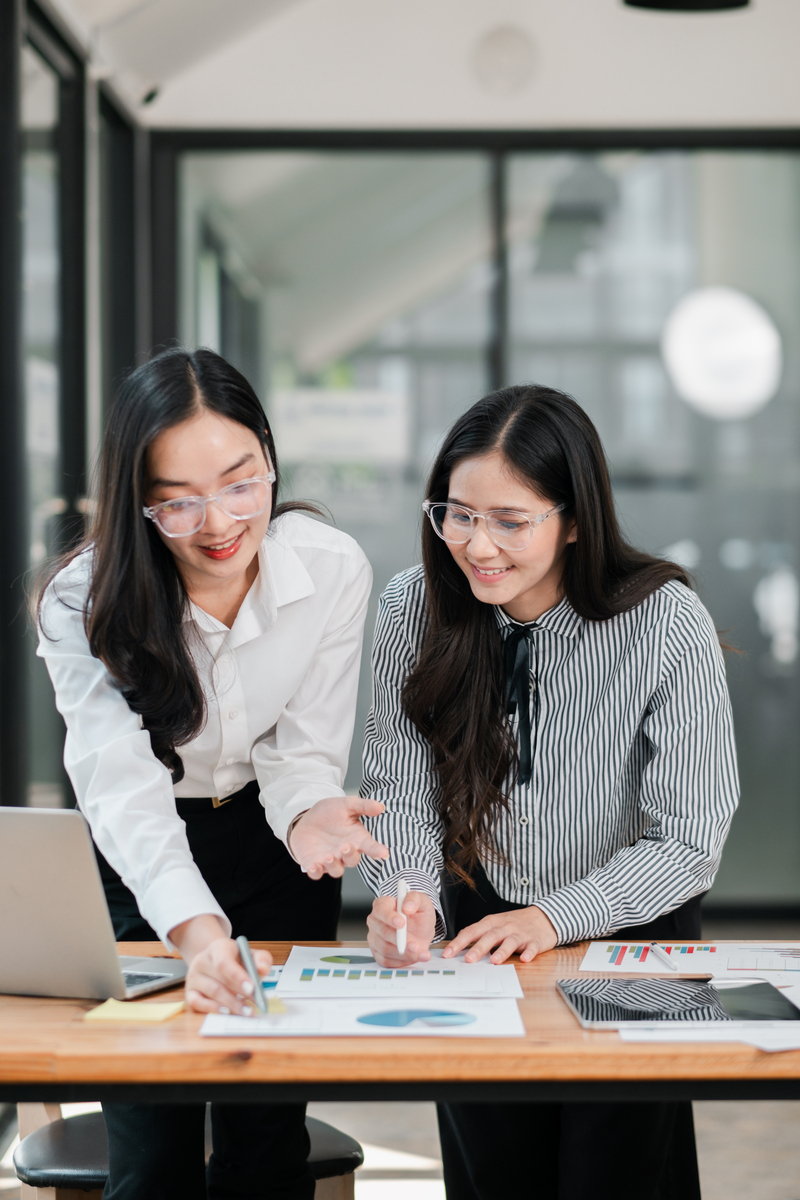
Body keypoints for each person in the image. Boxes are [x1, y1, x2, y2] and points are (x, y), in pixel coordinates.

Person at [359, 384, 739, 1200]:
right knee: (492, 1175)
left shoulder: (666, 621)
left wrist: (553, 918)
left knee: (620, 1179)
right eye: (457, 514)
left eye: (510, 520)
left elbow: (691, 838)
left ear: (572, 518)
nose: (477, 545)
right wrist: (409, 896)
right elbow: (400, 786)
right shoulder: (411, 606)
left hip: (634, 941)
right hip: (477, 929)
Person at [37, 347, 388, 1200]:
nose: (221, 522)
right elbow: (122, 788)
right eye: (178, 503)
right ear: (137, 502)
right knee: (152, 1148)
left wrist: (310, 817)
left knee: (267, 1142)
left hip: (274, 855)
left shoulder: (331, 568)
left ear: (270, 456)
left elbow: (301, 752)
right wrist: (196, 937)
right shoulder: (82, 601)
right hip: (141, 861)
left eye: (241, 481)